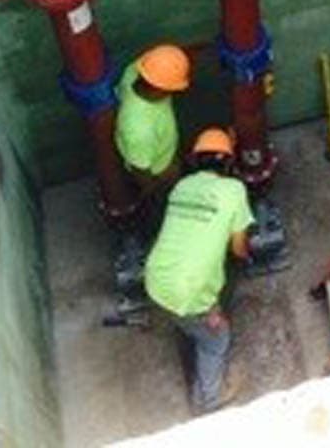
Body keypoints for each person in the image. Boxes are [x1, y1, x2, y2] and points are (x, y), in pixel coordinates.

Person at [144, 127, 254, 413]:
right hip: (189, 292)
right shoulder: (234, 190)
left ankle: (188, 325)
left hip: (155, 277)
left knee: (186, 316)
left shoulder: (182, 186)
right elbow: (239, 249)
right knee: (217, 341)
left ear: (196, 160)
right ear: (228, 164)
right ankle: (208, 402)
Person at [114, 44, 191, 208]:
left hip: (162, 151)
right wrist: (151, 192)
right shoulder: (138, 129)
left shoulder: (134, 72)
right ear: (160, 89)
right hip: (159, 170)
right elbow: (140, 170)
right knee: (168, 197)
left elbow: (165, 62)